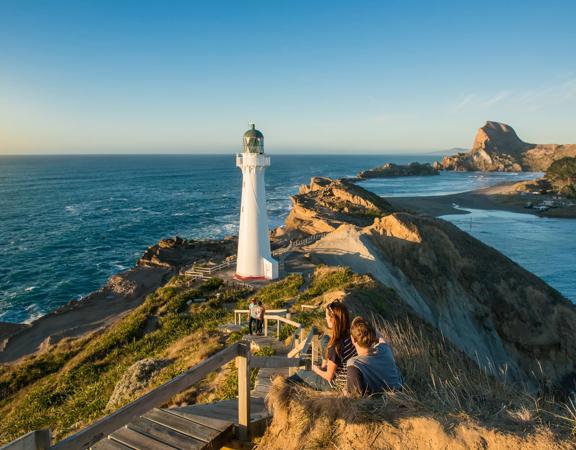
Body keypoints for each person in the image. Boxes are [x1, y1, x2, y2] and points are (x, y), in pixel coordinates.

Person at [288, 301, 357, 391]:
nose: (325, 318)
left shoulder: (336, 345)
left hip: (335, 385)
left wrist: (316, 370)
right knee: (325, 340)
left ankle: (281, 387)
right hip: (347, 379)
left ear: (333, 319)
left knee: (301, 373)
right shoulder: (351, 335)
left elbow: (329, 377)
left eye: (327, 316)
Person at [346, 317, 403, 396]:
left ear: (353, 340)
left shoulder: (354, 364)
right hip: (399, 391)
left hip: (379, 403)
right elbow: (381, 338)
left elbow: (354, 396)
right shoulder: (384, 349)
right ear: (373, 335)